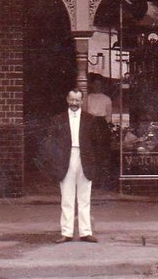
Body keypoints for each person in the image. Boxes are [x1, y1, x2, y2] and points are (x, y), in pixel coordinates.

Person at [45, 89, 99, 244]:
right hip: (66, 159)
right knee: (67, 197)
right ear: (67, 99)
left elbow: (96, 144)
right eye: (72, 100)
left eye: (77, 100)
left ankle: (86, 232)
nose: (74, 103)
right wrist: (56, 161)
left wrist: (93, 162)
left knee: (84, 197)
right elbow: (52, 143)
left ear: (82, 101)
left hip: (85, 159)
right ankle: (66, 232)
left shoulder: (90, 119)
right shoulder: (58, 119)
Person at [84, 75, 113, 188]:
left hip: (101, 124)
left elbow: (109, 115)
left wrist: (102, 124)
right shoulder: (87, 98)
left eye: (99, 84)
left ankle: (101, 179)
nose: (97, 86)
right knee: (90, 152)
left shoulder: (106, 99)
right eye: (95, 84)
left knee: (102, 152)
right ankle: (91, 179)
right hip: (90, 124)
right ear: (91, 85)